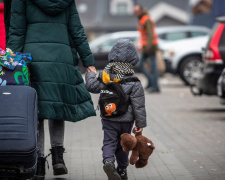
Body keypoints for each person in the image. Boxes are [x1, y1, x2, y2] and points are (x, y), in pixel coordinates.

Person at [5, 0, 96, 179]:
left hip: (33, 60)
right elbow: (76, 30)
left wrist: (11, 62)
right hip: (60, 60)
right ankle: (58, 158)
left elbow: (17, 30)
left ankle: (38, 162)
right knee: (56, 108)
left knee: (35, 111)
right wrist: (89, 62)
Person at [86, 39, 147, 180]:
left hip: (108, 117)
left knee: (109, 141)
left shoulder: (105, 77)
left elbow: (91, 87)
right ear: (133, 58)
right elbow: (138, 105)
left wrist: (90, 73)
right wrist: (140, 125)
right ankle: (122, 170)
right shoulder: (134, 81)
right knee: (124, 144)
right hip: (126, 120)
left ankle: (108, 162)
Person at [134, 4, 160, 93]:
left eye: (137, 11)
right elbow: (142, 35)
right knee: (142, 65)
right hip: (146, 47)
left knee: (152, 67)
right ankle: (151, 83)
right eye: (135, 11)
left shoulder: (146, 19)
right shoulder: (142, 19)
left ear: (141, 10)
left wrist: (148, 46)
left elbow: (150, 34)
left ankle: (155, 86)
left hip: (151, 47)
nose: (136, 13)